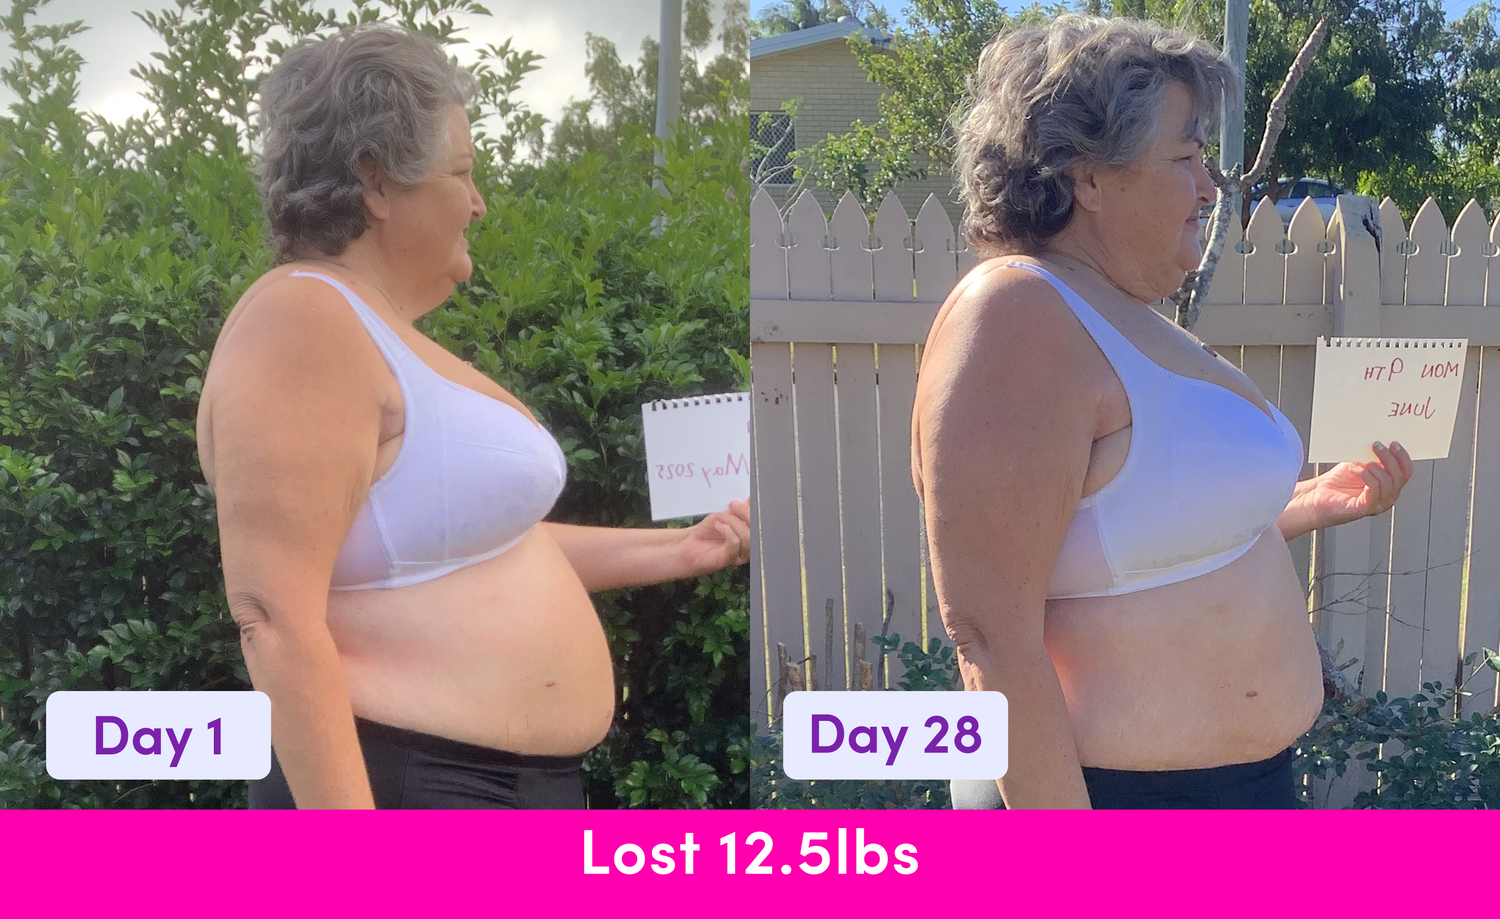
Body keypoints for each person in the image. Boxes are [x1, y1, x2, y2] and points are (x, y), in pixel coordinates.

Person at [195, 24, 749, 809]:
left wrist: (677, 550)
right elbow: (272, 615)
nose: (480, 203)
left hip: (490, 787)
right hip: (411, 782)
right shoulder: (302, 321)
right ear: (377, 184)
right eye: (462, 173)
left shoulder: (372, 333)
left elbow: (464, 544)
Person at [917, 15, 1413, 809]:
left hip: (1229, 790)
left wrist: (1303, 504)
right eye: (1184, 158)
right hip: (1111, 800)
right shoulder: (1017, 315)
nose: (1210, 187)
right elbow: (988, 631)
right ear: (1085, 175)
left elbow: (1128, 541)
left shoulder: (1116, 312)